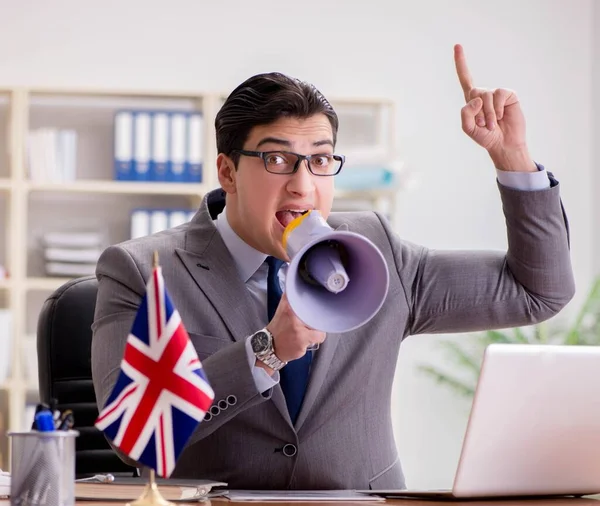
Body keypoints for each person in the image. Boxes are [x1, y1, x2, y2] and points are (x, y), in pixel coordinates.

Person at [91, 44, 575, 490]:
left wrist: (511, 158)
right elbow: (133, 434)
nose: (303, 187)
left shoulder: (375, 249)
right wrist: (264, 351)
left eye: (320, 161)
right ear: (228, 171)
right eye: (278, 158)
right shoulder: (142, 270)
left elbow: (537, 292)